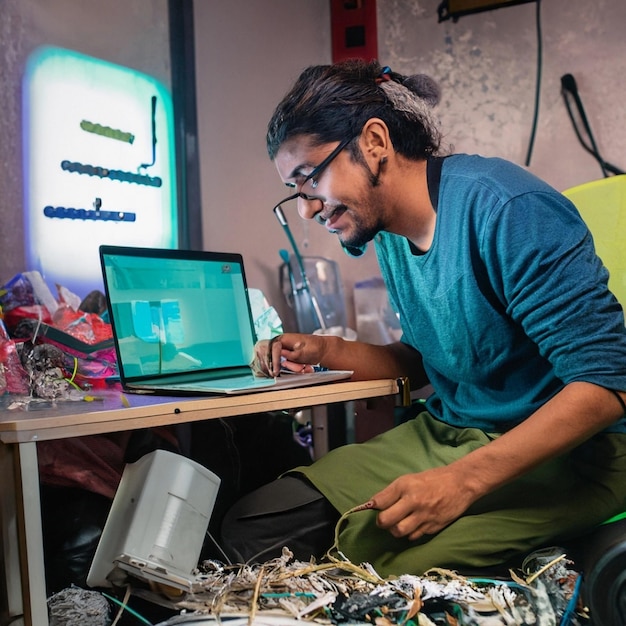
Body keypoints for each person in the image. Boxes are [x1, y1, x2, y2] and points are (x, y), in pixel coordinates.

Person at [221, 59, 626, 577]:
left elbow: (607, 384)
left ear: (373, 142)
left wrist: (462, 482)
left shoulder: (507, 209)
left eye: (310, 180)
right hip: (451, 434)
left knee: (382, 570)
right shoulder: (390, 235)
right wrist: (325, 351)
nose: (307, 210)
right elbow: (426, 361)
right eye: (294, 192)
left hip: (570, 454)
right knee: (252, 529)